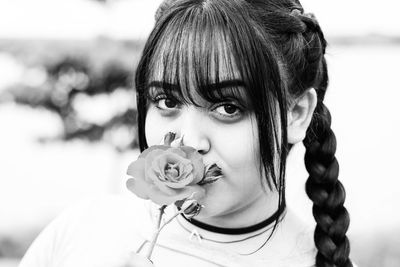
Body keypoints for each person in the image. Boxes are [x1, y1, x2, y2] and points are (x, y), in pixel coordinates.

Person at [19, 0, 355, 266]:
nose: (188, 141)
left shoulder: (313, 260)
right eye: (166, 101)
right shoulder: (86, 229)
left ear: (296, 113)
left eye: (228, 107)